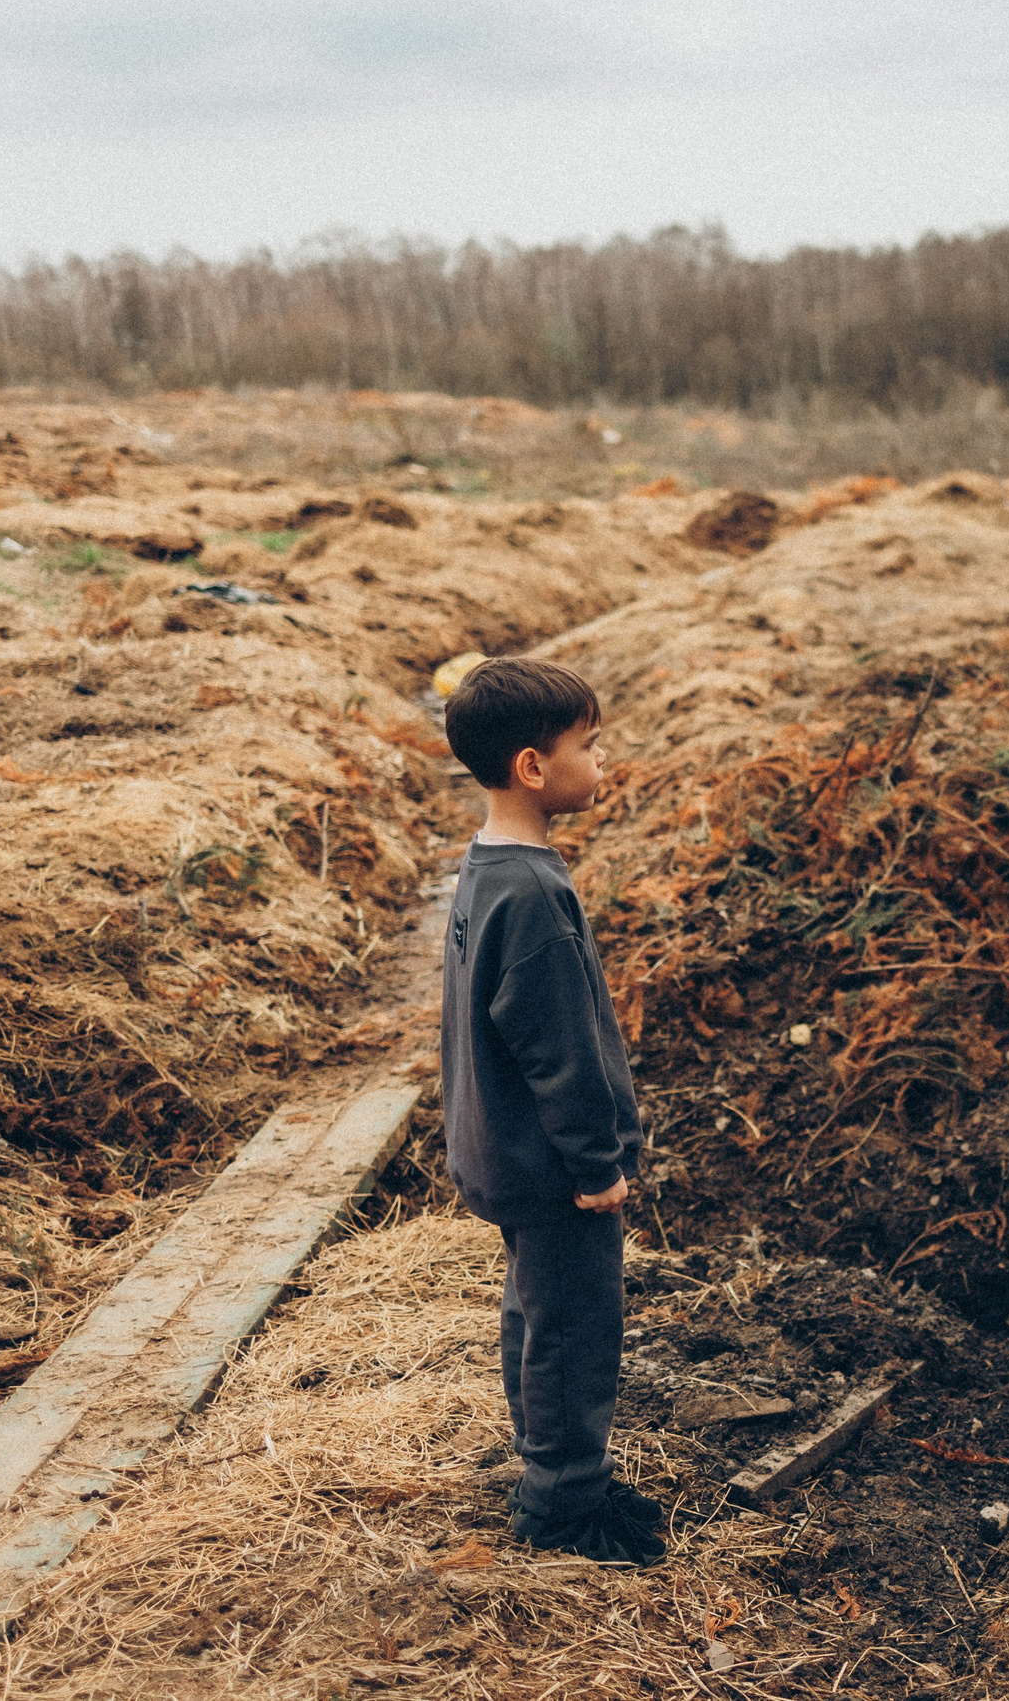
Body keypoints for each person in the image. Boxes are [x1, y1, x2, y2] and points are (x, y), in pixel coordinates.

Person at [438, 655, 665, 1566]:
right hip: (552, 1165)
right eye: (590, 744)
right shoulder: (534, 893)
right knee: (575, 1327)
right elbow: (558, 1047)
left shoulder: (489, 865)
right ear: (534, 767)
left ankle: (553, 1469)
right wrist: (598, 1162)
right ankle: (566, 1507)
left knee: (534, 1313)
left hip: (501, 1150)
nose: (602, 760)